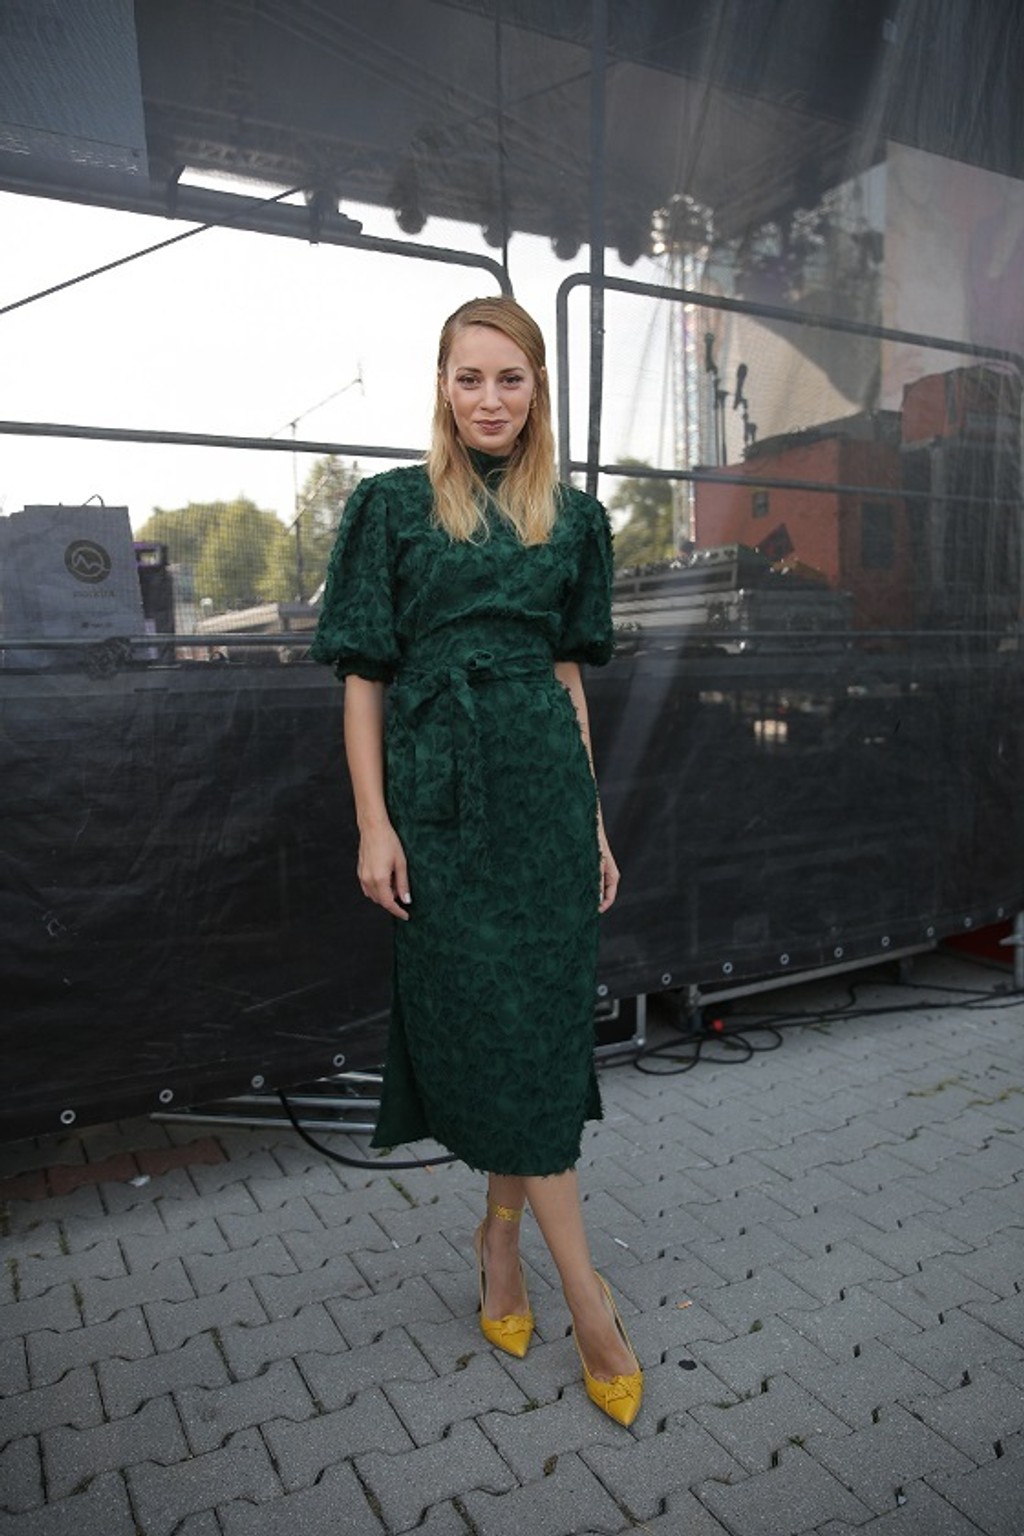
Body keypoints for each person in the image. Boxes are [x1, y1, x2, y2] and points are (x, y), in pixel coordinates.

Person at [310, 295, 642, 1426]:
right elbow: (364, 677)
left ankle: (502, 1240)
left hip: (545, 802)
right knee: (499, 1028)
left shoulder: (577, 520)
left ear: (538, 388)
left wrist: (592, 821)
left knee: (534, 1038)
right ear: (442, 386)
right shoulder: (389, 508)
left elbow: (567, 679)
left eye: (510, 378)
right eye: (469, 378)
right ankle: (588, 1302)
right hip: (442, 803)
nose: (490, 399)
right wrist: (374, 822)